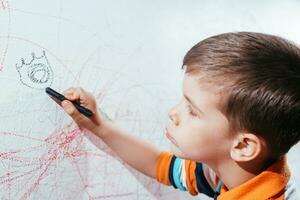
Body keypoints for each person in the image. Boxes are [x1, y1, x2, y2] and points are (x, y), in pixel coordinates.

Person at [60, 32, 300, 199]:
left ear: (244, 145)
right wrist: (99, 124)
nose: (173, 113)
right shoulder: (233, 174)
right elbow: (158, 165)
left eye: (192, 111)